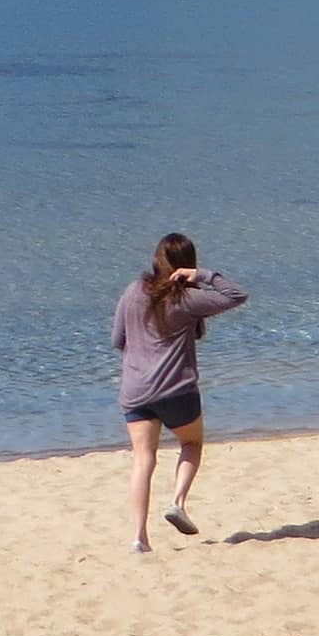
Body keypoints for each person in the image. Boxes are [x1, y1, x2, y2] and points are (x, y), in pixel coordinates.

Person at [113, 234, 246, 552]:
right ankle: (177, 502)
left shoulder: (132, 292)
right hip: (175, 391)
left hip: (135, 391)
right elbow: (237, 295)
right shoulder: (187, 299)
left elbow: (118, 340)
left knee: (143, 459)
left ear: (156, 261)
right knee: (191, 442)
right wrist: (203, 276)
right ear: (186, 265)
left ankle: (139, 537)